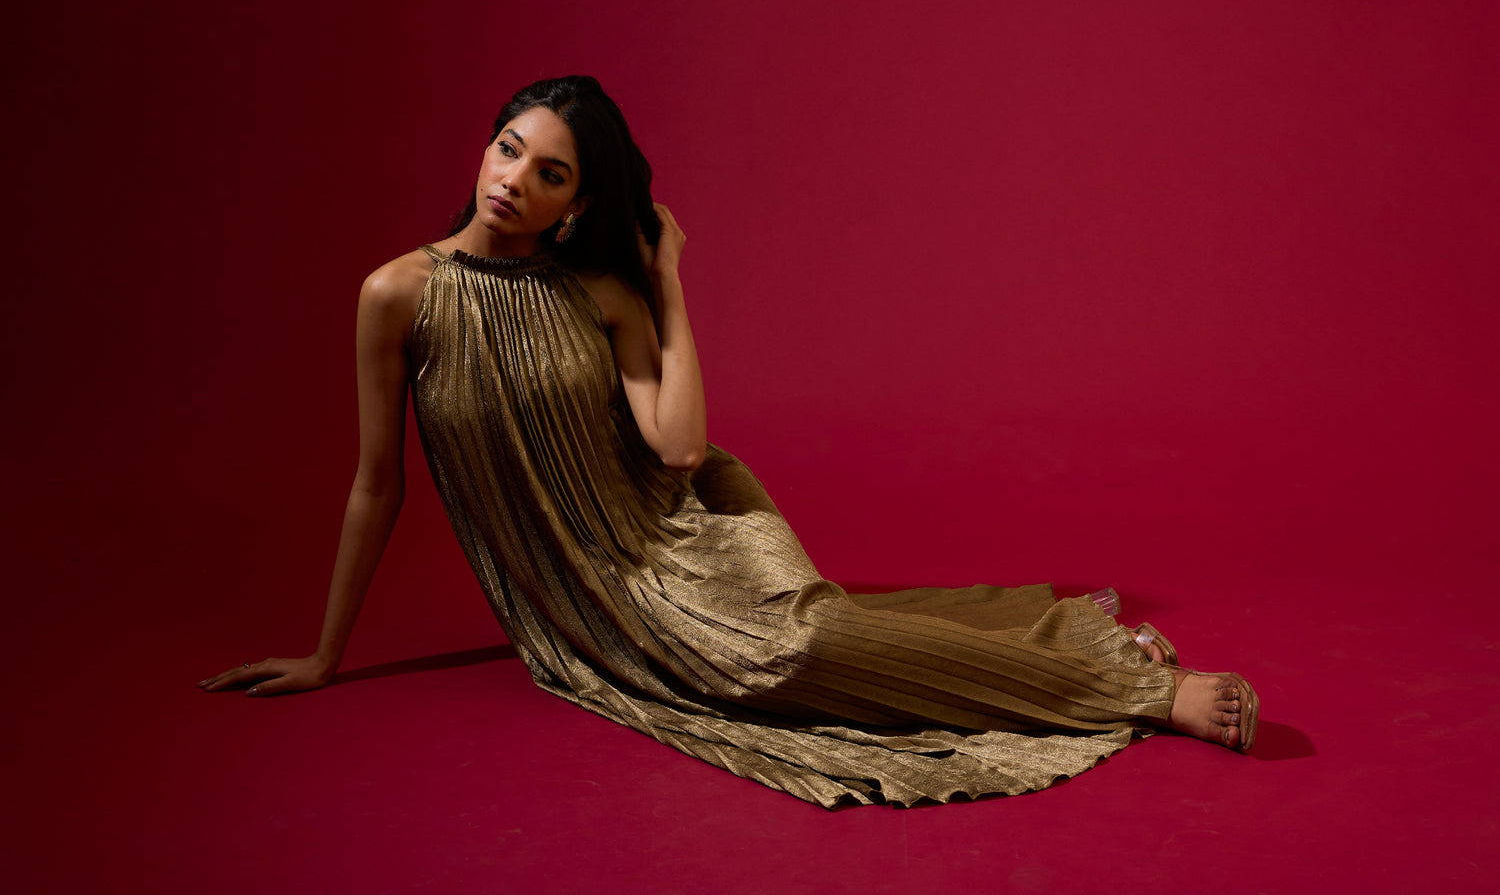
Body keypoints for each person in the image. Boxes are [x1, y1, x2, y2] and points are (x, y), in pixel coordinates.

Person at [199, 75, 1258, 808]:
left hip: (684, 537)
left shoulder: (602, 293)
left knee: (808, 645)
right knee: (821, 643)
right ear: (487, 146)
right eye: (509, 148)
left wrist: (667, 281)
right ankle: (1077, 650)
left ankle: (1143, 692)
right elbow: (376, 483)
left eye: (551, 173)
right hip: (590, 605)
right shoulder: (396, 294)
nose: (514, 178)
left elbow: (678, 448)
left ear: (576, 204)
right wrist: (327, 655)